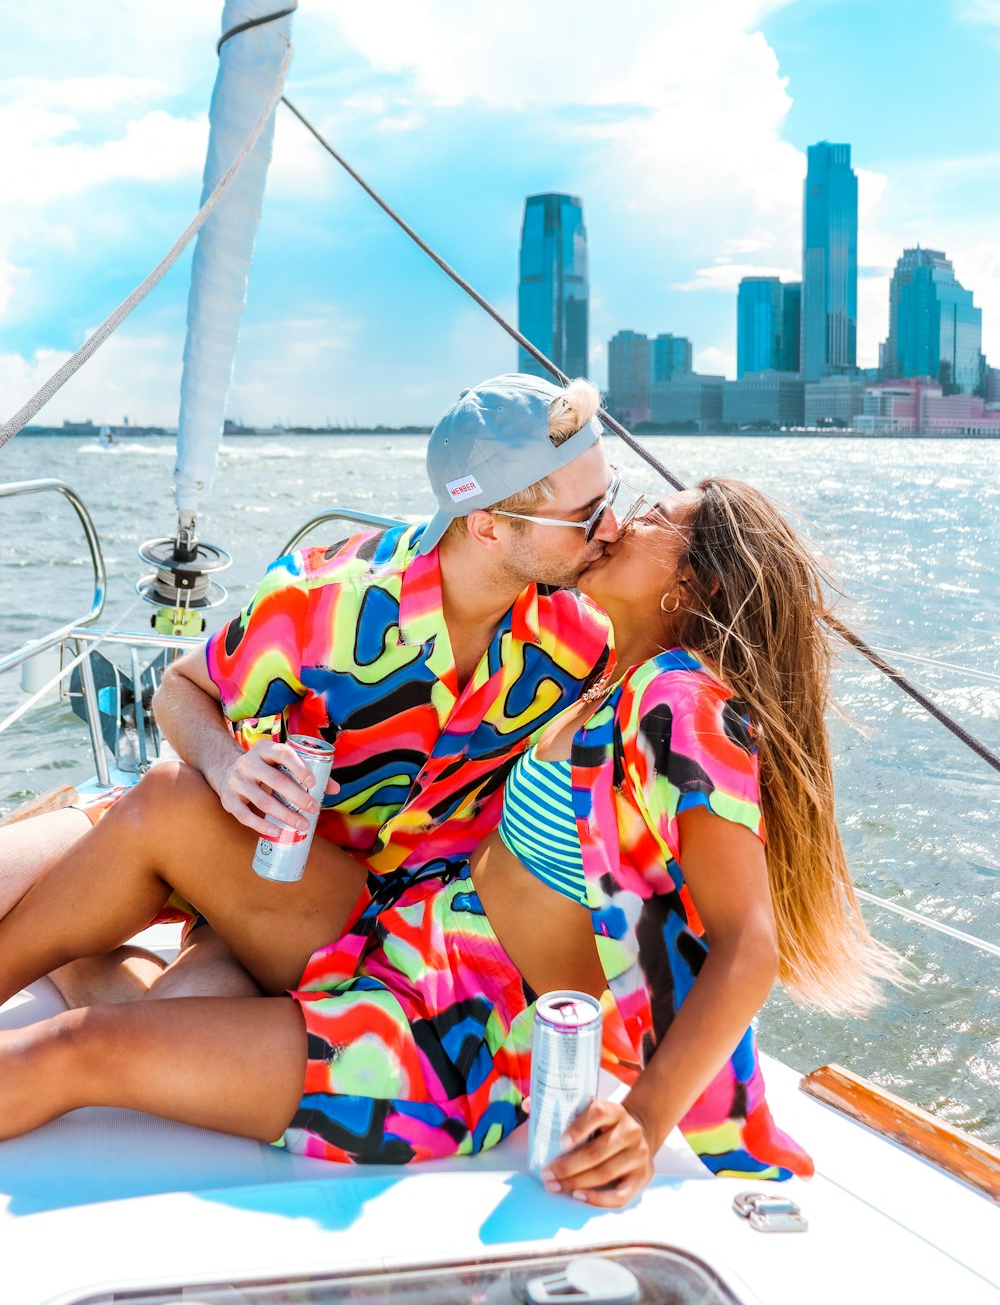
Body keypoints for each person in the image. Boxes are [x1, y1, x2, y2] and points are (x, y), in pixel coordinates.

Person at [0, 474, 901, 1205]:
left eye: (655, 519)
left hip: (447, 1042)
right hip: (401, 935)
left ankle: (111, 974)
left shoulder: (682, 701)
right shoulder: (607, 666)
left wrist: (647, 1119)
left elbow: (749, 946)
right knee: (162, 801)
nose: (620, 523)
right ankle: (96, 959)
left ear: (693, 583)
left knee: (79, 1051)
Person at [0, 373, 617, 1002]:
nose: (613, 527)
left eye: (611, 495)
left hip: (352, 910)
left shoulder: (584, 638)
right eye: (586, 515)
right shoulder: (326, 599)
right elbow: (180, 689)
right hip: (238, 832)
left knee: (181, 1010)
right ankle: (83, 853)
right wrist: (225, 765)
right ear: (487, 527)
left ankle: (81, 951)